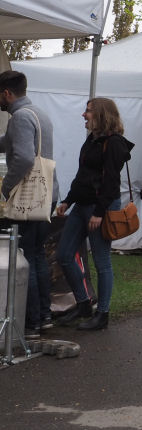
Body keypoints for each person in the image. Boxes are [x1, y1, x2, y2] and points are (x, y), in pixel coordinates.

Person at [55, 97, 133, 331]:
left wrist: (99, 213)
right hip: (82, 205)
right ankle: (83, 304)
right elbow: (83, 175)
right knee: (64, 255)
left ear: (101, 114)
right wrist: (68, 200)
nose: (83, 115)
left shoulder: (114, 143)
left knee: (101, 261)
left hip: (101, 207)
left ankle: (103, 314)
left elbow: (111, 181)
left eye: (88, 111)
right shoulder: (92, 139)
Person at [0, 70, 55, 337]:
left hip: (27, 200)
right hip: (45, 196)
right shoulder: (38, 113)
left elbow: (23, 158)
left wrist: (6, 188)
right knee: (37, 255)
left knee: (24, 257)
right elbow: (11, 143)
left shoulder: (20, 117)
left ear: (7, 94)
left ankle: (31, 321)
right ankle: (44, 316)